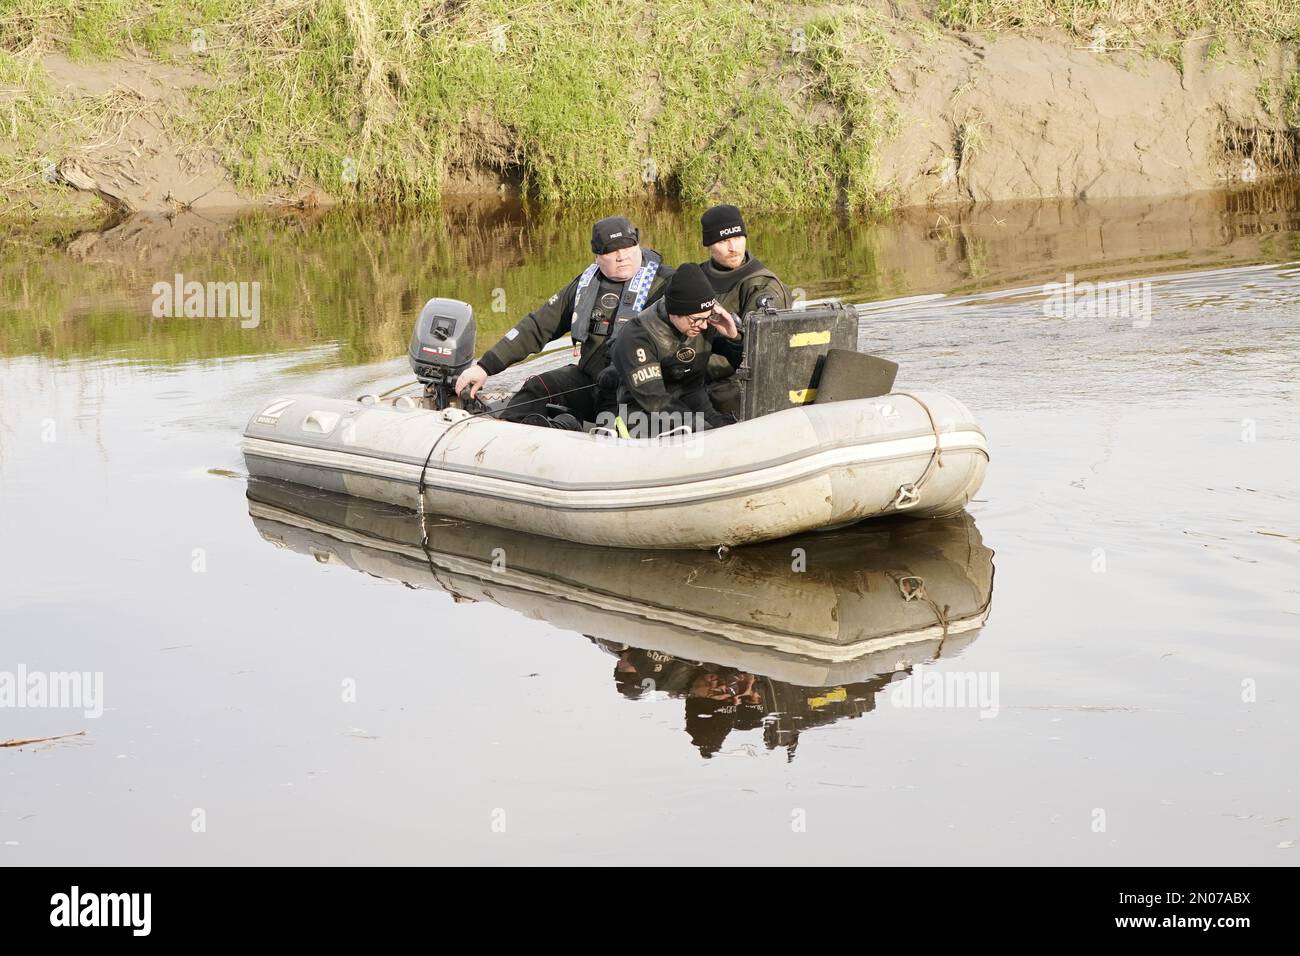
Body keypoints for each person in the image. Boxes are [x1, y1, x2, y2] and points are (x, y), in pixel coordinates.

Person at [453, 216, 673, 427]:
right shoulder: (585, 286)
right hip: (590, 381)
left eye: (628, 247)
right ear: (597, 256)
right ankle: (513, 439)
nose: (622, 256)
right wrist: (484, 366)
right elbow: (538, 326)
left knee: (621, 422)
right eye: (612, 250)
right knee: (536, 388)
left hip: (635, 389)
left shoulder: (668, 284)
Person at [606, 262, 742, 438]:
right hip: (644, 415)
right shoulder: (637, 335)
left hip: (695, 403)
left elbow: (747, 367)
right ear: (675, 312)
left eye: (708, 317)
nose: (703, 325)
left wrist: (734, 337)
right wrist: (702, 429)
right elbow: (655, 401)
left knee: (735, 432)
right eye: (697, 319)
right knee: (708, 438)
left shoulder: (704, 321)